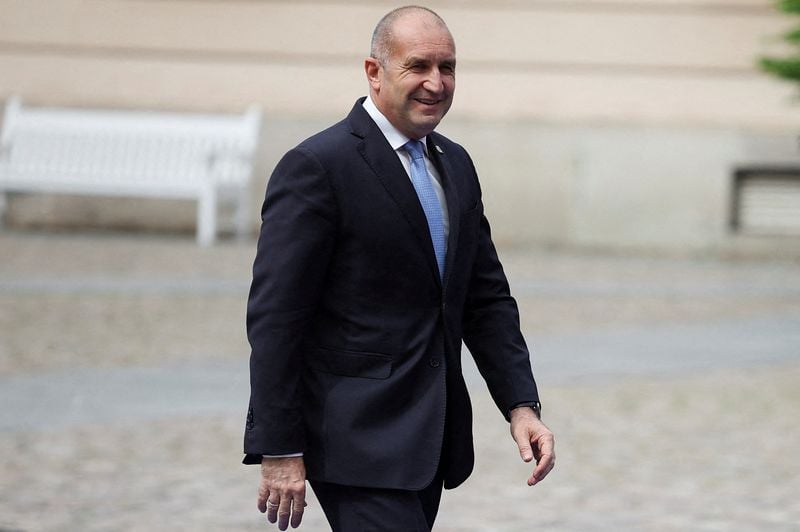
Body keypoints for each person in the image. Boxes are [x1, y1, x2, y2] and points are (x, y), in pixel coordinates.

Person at [244, 5, 555, 531]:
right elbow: (276, 318)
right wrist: (279, 447)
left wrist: (521, 404)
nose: (436, 83)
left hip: (429, 440)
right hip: (353, 439)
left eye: (447, 67)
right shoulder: (318, 166)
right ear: (374, 71)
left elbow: (485, 300)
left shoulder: (454, 163)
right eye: (418, 66)